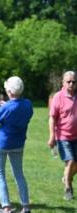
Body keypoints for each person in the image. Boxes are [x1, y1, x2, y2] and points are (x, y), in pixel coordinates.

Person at [0, 76, 33, 213]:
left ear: (9, 91)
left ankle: (6, 209)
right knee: (19, 174)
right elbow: (19, 111)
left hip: (2, 143)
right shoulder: (27, 104)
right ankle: (26, 208)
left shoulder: (6, 107)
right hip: (18, 143)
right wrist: (6, 106)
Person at [48, 71, 77, 200]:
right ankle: (68, 188)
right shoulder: (58, 97)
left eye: (74, 82)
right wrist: (52, 136)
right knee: (70, 161)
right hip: (63, 136)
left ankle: (66, 177)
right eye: (68, 82)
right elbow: (52, 118)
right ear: (63, 83)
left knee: (75, 164)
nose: (71, 84)